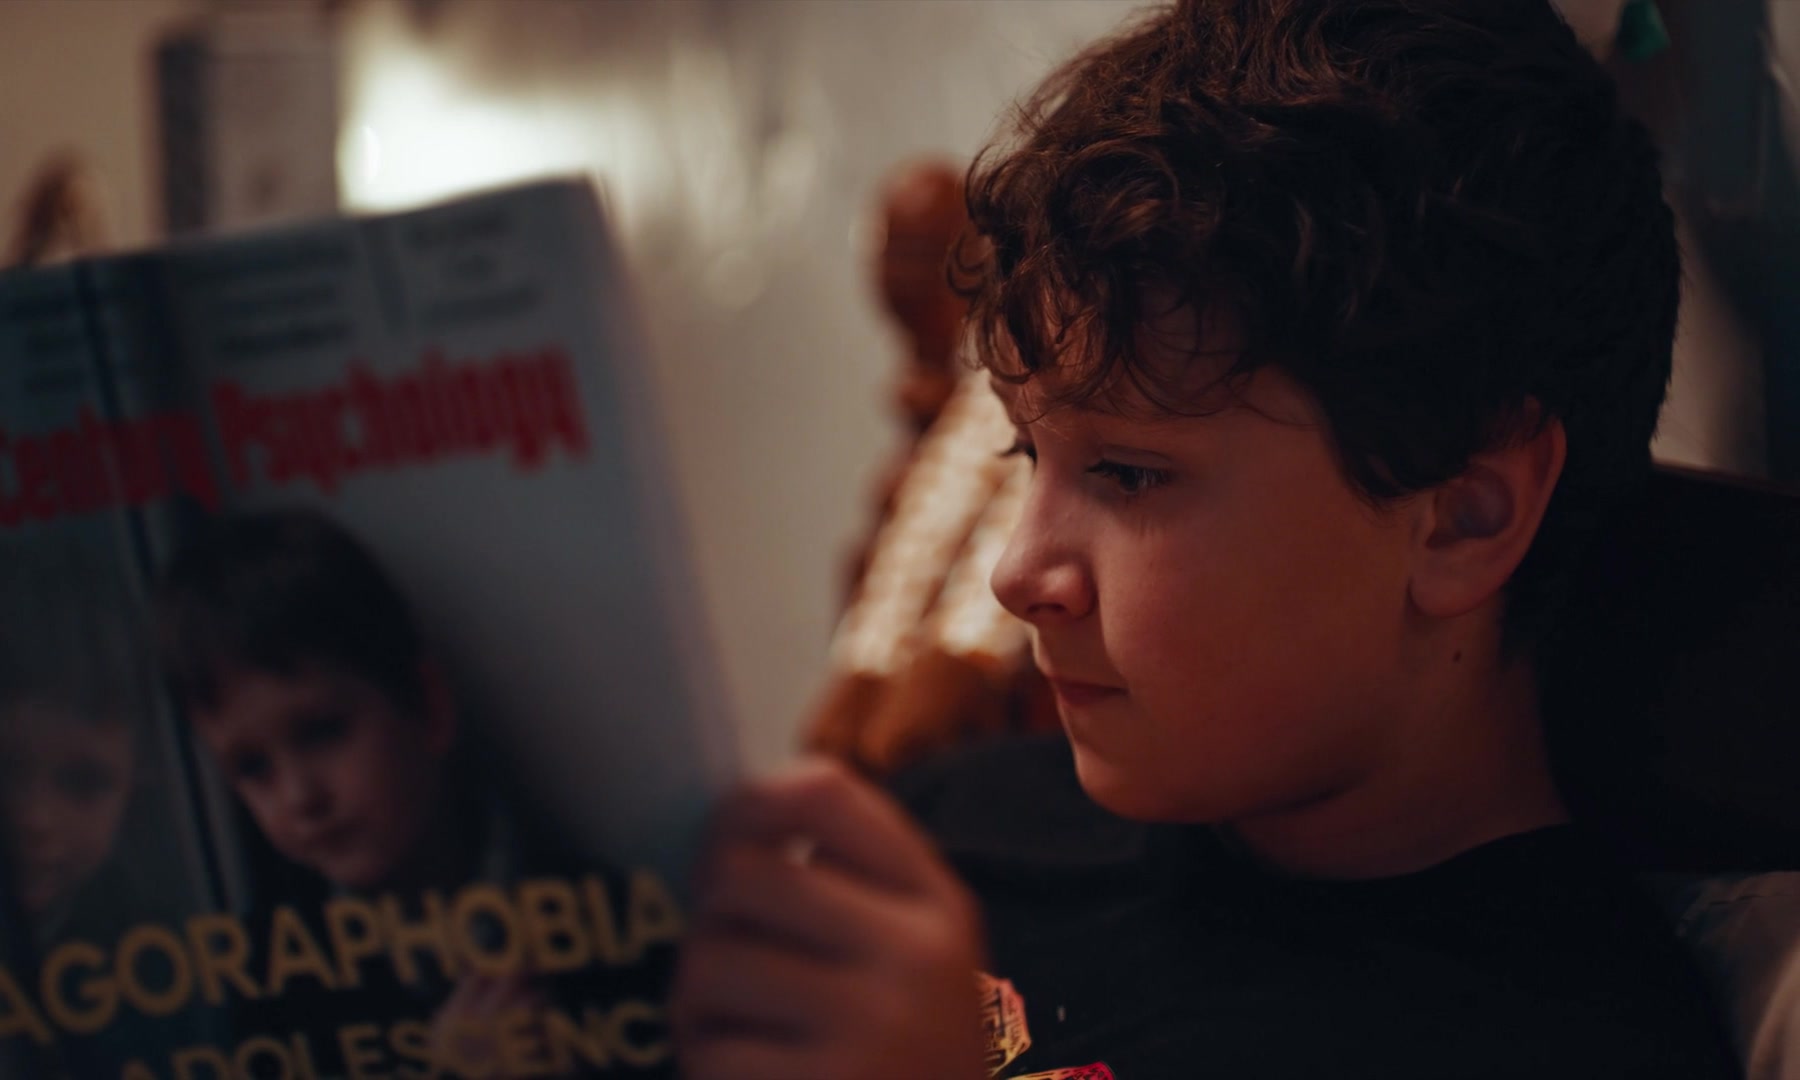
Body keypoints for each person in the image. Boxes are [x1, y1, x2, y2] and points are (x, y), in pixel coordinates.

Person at [670, 2, 1741, 1078]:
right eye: (1027, 455)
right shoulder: (953, 832)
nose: (1016, 575)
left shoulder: (1573, 1043)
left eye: (1129, 474)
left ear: (1466, 518)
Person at [155, 508, 675, 1078]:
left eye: (322, 732)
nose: (300, 796)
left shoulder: (605, 921)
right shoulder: (270, 976)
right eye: (254, 768)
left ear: (428, 707)